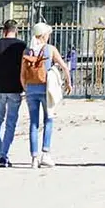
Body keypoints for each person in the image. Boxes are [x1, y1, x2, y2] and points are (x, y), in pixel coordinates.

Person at [21, 22, 73, 168]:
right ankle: (46, 153)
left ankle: (34, 158)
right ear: (44, 35)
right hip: (46, 89)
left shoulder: (27, 51)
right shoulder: (50, 49)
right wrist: (68, 83)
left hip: (31, 89)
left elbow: (22, 74)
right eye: (48, 34)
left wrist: (26, 88)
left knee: (33, 123)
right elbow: (64, 66)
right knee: (49, 119)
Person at [0, 20, 27, 167]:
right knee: (10, 123)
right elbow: (25, 69)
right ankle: (3, 155)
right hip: (15, 88)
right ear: (16, 30)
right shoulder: (21, 46)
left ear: (4, 31)